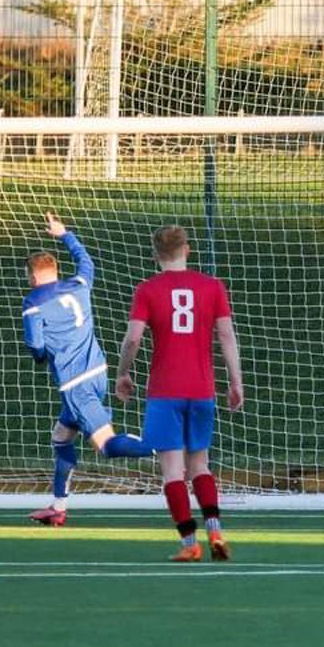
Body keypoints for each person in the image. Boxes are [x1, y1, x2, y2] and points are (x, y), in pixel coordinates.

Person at [115, 225, 245, 563]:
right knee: (200, 464)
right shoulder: (212, 286)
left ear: (156, 254)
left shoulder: (147, 289)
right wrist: (236, 381)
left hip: (164, 392)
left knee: (173, 471)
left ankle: (190, 543)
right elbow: (227, 336)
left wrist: (123, 372)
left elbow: (132, 339)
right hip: (202, 390)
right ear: (187, 249)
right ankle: (215, 530)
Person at [22, 210, 152, 527]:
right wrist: (65, 234)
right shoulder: (79, 285)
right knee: (61, 437)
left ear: (32, 276)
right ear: (55, 270)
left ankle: (163, 445)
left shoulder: (33, 302)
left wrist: (42, 357)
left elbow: (36, 346)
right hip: (97, 372)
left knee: (106, 445)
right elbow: (86, 262)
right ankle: (58, 506)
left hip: (74, 383)